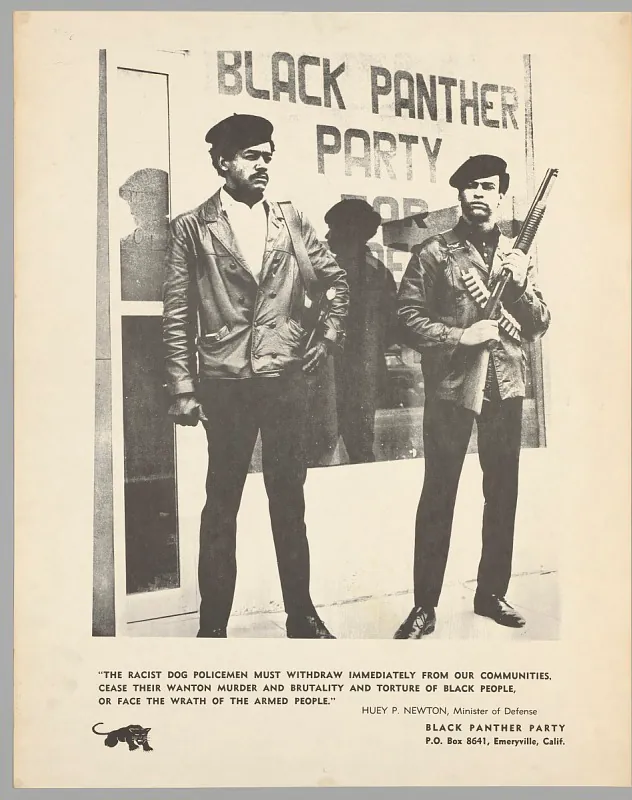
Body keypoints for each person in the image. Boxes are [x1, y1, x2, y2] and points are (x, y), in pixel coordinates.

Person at [162, 114, 348, 639]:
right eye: (250, 155)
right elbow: (177, 311)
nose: (262, 164)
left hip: (285, 378)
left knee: (290, 499)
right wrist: (181, 386)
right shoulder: (192, 227)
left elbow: (336, 281)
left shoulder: (292, 220)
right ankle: (213, 626)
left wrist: (327, 336)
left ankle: (302, 616)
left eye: (267, 155)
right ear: (222, 162)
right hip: (225, 383)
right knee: (221, 503)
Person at [394, 154, 551, 639]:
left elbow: (539, 322)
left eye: (488, 187)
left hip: (505, 386)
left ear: (500, 196)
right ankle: (424, 606)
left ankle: (491, 593)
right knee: (438, 494)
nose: (479, 195)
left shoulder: (517, 255)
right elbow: (404, 316)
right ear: (459, 195)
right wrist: (458, 336)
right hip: (451, 387)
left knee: (502, 493)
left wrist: (520, 287)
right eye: (471, 187)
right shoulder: (434, 253)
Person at [323, 199, 398, 463]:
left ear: (347, 232)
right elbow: (392, 330)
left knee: (321, 451)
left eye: (332, 228)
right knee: (361, 449)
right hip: (366, 377)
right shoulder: (380, 272)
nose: (326, 236)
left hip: (332, 376)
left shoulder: (329, 273)